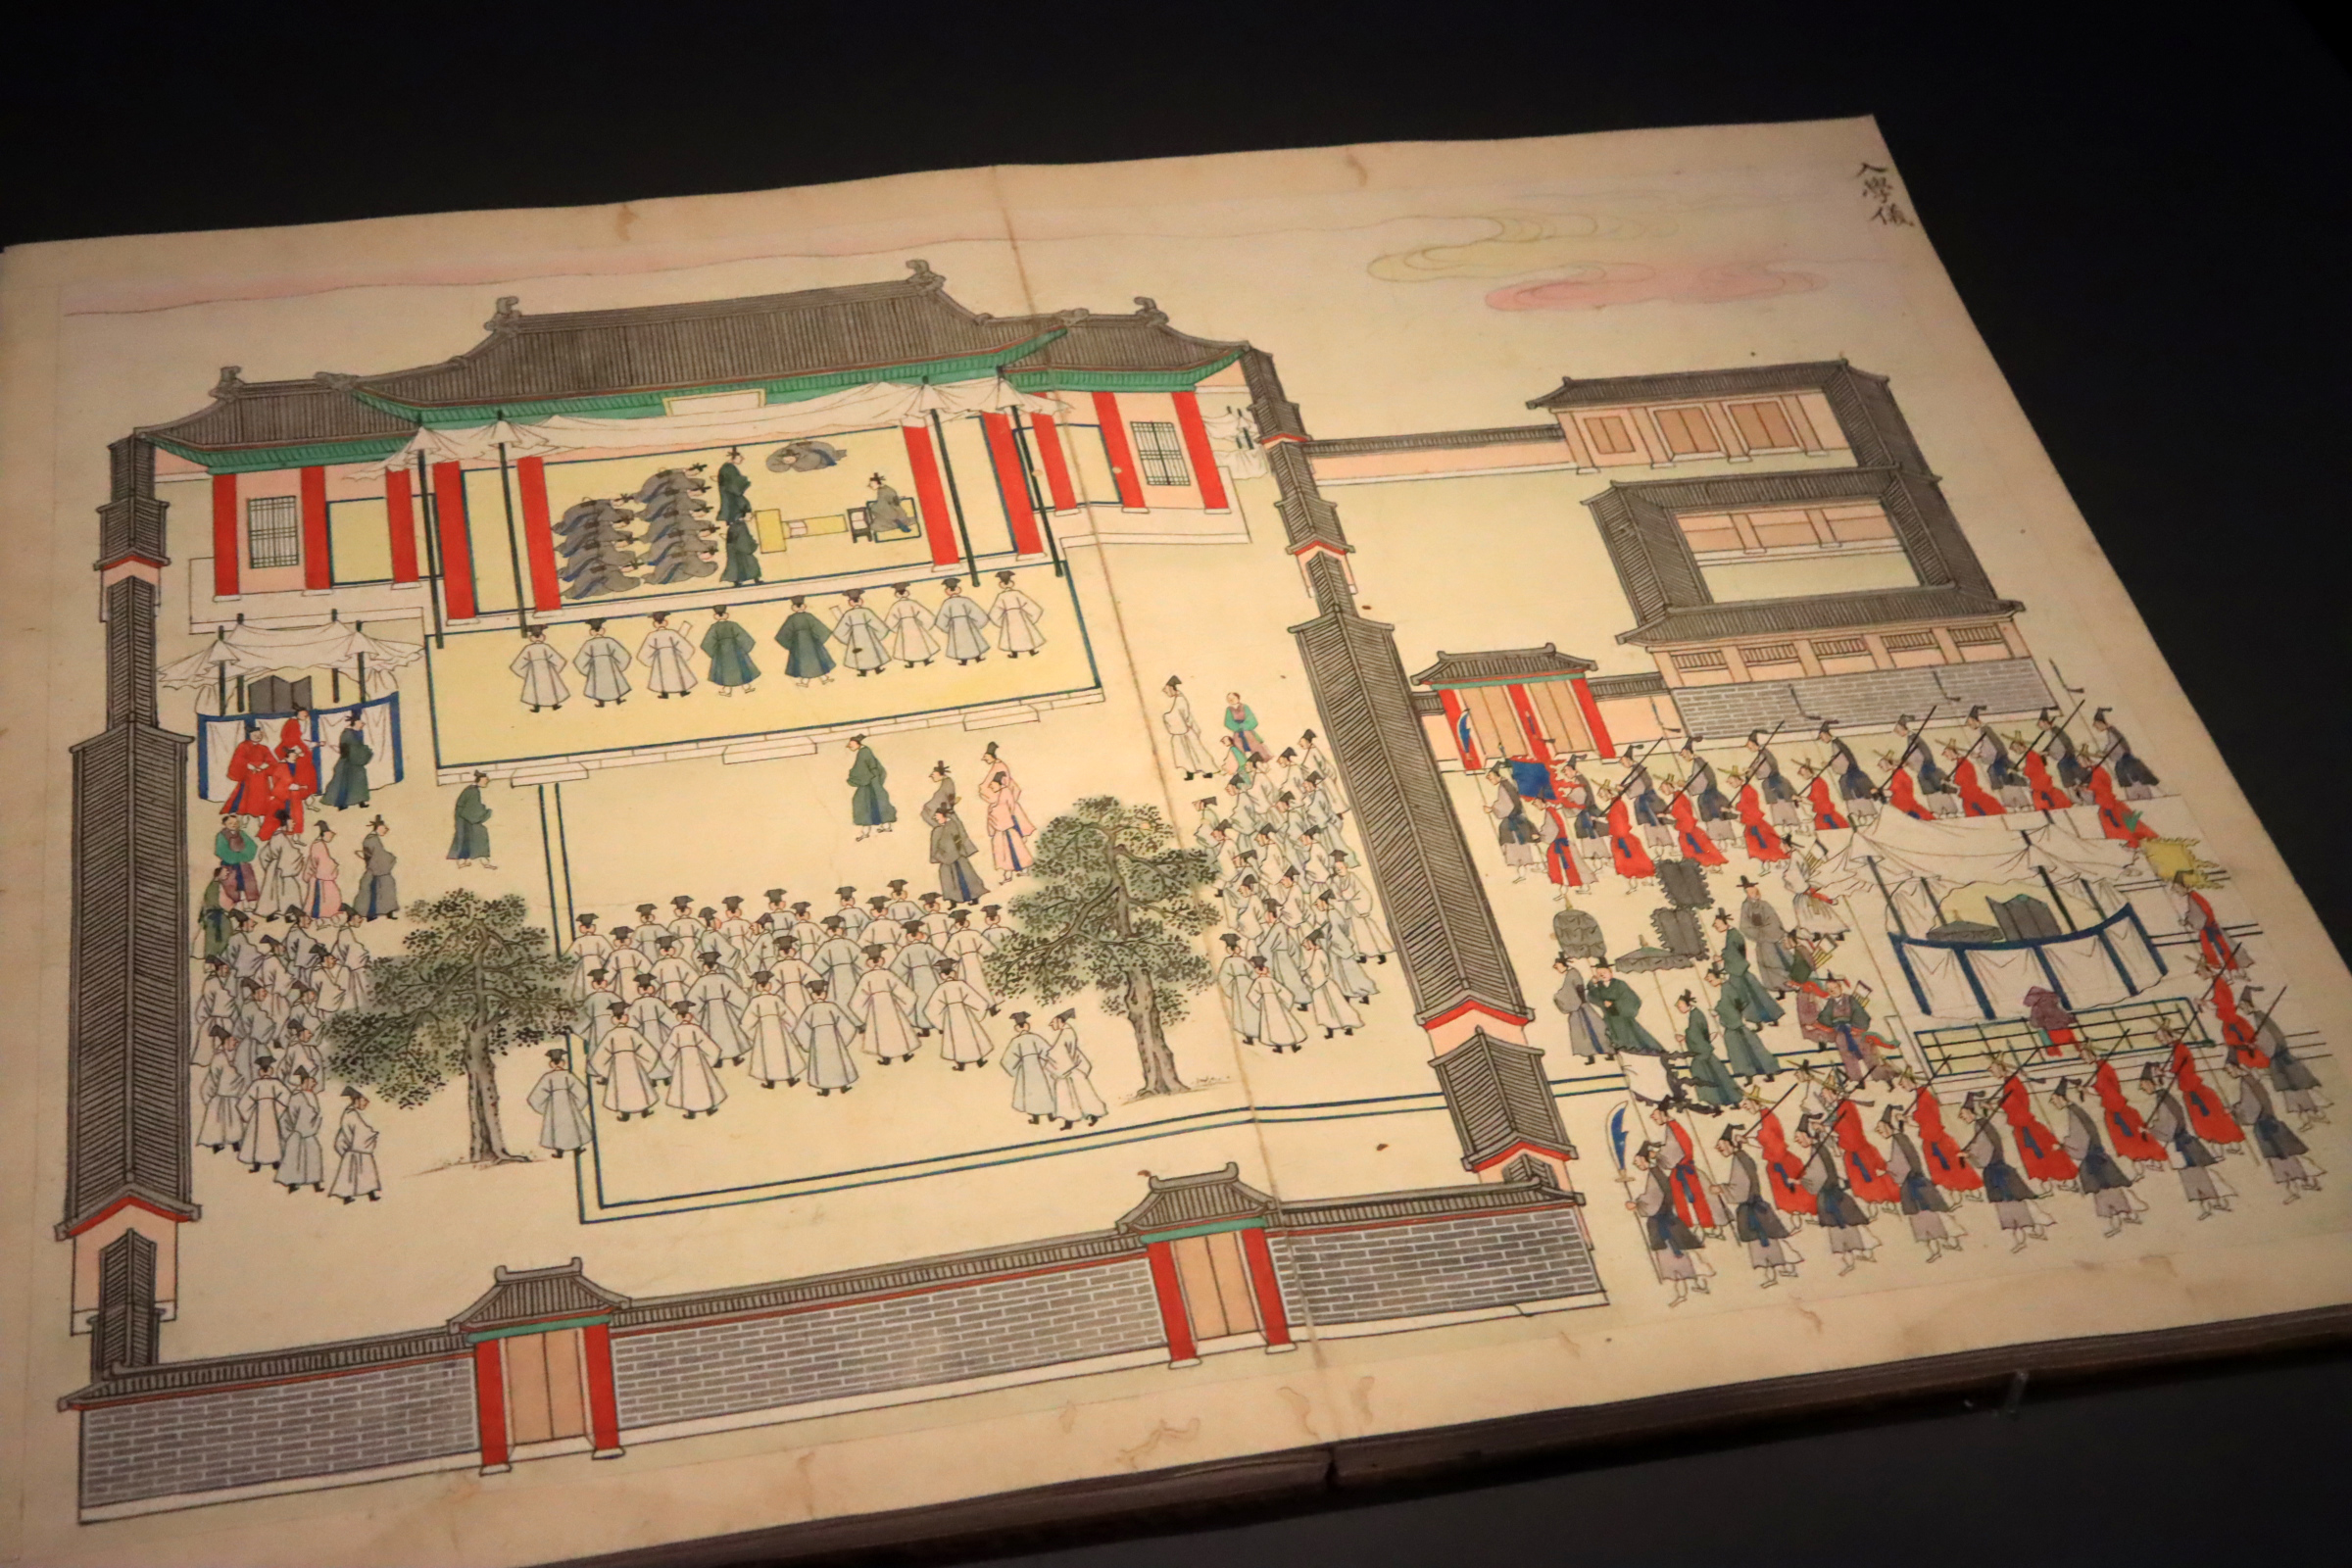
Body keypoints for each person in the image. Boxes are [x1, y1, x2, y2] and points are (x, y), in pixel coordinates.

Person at [2050, 1076, 2145, 1235]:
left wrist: (2063, 1145)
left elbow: (2080, 1139)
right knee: (2104, 1192)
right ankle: (2120, 1219)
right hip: (2095, 1156)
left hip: (2093, 1158)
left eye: (2054, 1100)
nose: (2054, 1103)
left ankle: (2125, 1216)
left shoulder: (2075, 1114)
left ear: (2061, 1098)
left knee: (2106, 1191)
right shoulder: (2076, 1112)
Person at [2140, 1061, 2234, 1218]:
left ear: (2150, 1082)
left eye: (2143, 1084)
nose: (2143, 1087)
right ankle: (2208, 1205)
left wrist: (2150, 1131)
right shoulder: (2164, 1097)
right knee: (2193, 1175)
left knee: (2195, 1174)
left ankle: (2215, 1203)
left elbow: (2169, 1123)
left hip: (2180, 1143)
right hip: (2182, 1141)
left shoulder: (2163, 1099)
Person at [1962, 1091, 2052, 1250]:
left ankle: (2023, 1238)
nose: (1962, 1117)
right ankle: (2030, 1233)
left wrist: (1968, 1154)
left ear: (1971, 1112)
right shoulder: (1982, 1125)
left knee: (2009, 1205)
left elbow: (1984, 1147)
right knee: (2015, 1203)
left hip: (1996, 1171)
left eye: (1963, 1114)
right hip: (2000, 1169)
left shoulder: (1981, 1126)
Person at [2226, 1056, 2324, 1200]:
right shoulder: (2252, 1081)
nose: (2229, 1073)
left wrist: (2234, 1111)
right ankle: (2296, 1188)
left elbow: (2251, 1108)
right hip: (2269, 1122)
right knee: (2284, 1157)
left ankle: (2303, 1183)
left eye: (2230, 1070)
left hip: (2265, 1125)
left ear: (2238, 1067)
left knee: (2282, 1158)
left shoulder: (2248, 1083)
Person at [1628, 1141, 1710, 1306]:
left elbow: (1653, 1200)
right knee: (1683, 1256)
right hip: (1668, 1221)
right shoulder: (1656, 1174)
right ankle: (1695, 1286)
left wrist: (1636, 1204)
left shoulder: (1655, 1175)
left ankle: (1683, 1293)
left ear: (1644, 1159)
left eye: (1637, 1161)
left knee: (1676, 1260)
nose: (1636, 1164)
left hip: (1663, 1223)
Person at [1795, 1112, 1880, 1274]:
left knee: (1841, 1228)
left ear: (1807, 1135)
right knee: (1849, 1226)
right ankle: (1859, 1256)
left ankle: (1853, 1259)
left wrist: (1801, 1180)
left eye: (1799, 1137)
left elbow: (1818, 1175)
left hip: (1830, 1195)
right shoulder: (1820, 1149)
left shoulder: (1818, 1150)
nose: (1797, 1140)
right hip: (1836, 1193)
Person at [1717, 1125, 1800, 1286]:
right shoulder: (1742, 1158)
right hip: (1755, 1207)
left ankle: (1775, 1274)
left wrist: (1721, 1188)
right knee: (1767, 1242)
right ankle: (1779, 1271)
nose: (1719, 1149)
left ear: (1731, 1143)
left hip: (1752, 1209)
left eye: (1721, 1146)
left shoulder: (1741, 1160)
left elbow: (1740, 1189)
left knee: (1763, 1243)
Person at [1879, 1104, 1964, 1260]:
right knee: (1932, 1215)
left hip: (1913, 1186)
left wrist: (1885, 1168)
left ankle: (1939, 1248)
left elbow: (1901, 1166)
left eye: (1880, 1127)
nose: (1879, 1131)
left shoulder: (1898, 1141)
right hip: (1919, 1183)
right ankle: (1945, 1245)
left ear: (1888, 1126)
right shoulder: (1902, 1139)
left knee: (1924, 1217)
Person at [1590, 961, 1676, 1105]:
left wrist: (1615, 1005)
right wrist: (1592, 985)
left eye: (1604, 972)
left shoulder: (1620, 985)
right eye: (1599, 973)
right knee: (1625, 1060)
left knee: (1639, 1054)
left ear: (1610, 971)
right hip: (1611, 1024)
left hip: (1625, 1023)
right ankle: (1640, 1090)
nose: (1601, 975)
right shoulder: (1599, 988)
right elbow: (1591, 997)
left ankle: (1659, 1090)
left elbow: (1634, 1001)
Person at [851, 947, 922, 1064]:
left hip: (876, 1009)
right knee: (896, 1027)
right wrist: (904, 1009)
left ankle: (886, 1057)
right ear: (882, 960)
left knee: (881, 1031)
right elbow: (906, 993)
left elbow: (856, 1001)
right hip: (891, 1006)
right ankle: (904, 1054)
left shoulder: (867, 977)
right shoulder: (887, 974)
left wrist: (865, 1016)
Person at [976, 743, 1036, 878]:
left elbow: (989, 787)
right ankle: (1009, 871)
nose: (984, 759)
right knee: (1004, 847)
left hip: (1006, 815)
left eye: (986, 757)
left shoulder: (999, 769)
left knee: (1015, 843)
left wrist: (995, 800)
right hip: (1002, 815)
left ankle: (1021, 869)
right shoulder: (998, 767)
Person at [791, 980, 861, 1095]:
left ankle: (824, 1088)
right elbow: (845, 1023)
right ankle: (843, 1085)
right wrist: (843, 1040)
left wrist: (806, 1044)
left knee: (821, 1063)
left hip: (818, 1038)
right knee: (837, 1060)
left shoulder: (810, 1009)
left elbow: (801, 1028)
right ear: (824, 994)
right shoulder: (831, 1006)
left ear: (812, 995)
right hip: (833, 1037)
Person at [660, 1002, 727, 1118]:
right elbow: (709, 1046)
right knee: (702, 1082)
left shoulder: (676, 1030)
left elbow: (667, 1050)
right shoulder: (695, 1028)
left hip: (683, 1061)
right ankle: (709, 1108)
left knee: (687, 1085)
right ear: (689, 1016)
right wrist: (709, 1061)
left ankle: (691, 1112)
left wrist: (672, 1065)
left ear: (678, 1017)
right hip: (697, 1060)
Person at [928, 958, 996, 1069]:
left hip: (951, 1017)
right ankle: (980, 1061)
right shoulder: (960, 984)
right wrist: (977, 1015)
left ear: (942, 976)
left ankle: (961, 1065)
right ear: (953, 973)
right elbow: (978, 1001)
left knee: (956, 1040)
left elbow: (931, 1009)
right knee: (972, 1036)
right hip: (965, 1014)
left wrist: (941, 1024)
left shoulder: (941, 988)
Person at [1046, 1009, 1106, 1129]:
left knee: (1077, 1095)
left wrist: (1049, 1056)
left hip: (1070, 1069)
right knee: (1073, 1096)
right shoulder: (1066, 1032)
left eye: (1053, 1022)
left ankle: (1091, 1116)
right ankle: (1071, 1121)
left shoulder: (1067, 1033)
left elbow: (1062, 1052)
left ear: (1059, 1021)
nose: (1051, 1025)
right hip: (1070, 1068)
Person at [529, 1049, 593, 1157]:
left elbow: (535, 1096)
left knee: (559, 1128)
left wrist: (545, 1109)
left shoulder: (549, 1077)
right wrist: (577, 1106)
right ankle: (575, 1149)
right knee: (570, 1126)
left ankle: (562, 1152)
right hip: (568, 1105)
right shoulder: (567, 1075)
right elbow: (582, 1092)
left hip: (555, 1106)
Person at [327, 1087, 382, 1203]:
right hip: (355, 1149)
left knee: (363, 1173)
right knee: (351, 1175)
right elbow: (360, 1131)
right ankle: (348, 1197)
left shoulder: (351, 1113)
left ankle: (370, 1194)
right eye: (364, 1100)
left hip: (356, 1149)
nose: (366, 1102)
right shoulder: (351, 1114)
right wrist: (371, 1133)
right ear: (357, 1100)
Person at [2089, 708, 2160, 798]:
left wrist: (2104, 752)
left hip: (2127, 763)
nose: (2097, 728)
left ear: (2100, 723)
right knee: (2131, 784)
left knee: (2136, 783)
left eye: (2097, 725)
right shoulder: (2111, 731)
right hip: (2124, 763)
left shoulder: (2112, 731)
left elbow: (2114, 745)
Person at [1487, 762, 1540, 880]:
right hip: (1517, 821)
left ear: (1496, 775)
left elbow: (1506, 806)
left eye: (1490, 777)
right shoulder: (1506, 785)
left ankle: (1525, 871)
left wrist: (1492, 809)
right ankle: (1523, 872)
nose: (1490, 780)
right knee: (1520, 847)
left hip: (1514, 822)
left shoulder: (1504, 787)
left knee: (1516, 847)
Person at [275, 1071, 326, 1193]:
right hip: (298, 1133)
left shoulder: (312, 1095)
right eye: (312, 1080)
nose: (315, 1083)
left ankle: (316, 1184)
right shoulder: (296, 1097)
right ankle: (292, 1184)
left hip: (310, 1133)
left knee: (314, 1155)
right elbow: (291, 1115)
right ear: (305, 1081)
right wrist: (294, 1132)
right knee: (295, 1158)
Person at [716, 448, 760, 585]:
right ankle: (746, 578)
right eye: (740, 457)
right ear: (734, 457)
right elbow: (735, 488)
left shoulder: (727, 470)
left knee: (737, 553)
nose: (742, 459)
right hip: (736, 518)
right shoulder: (728, 469)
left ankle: (739, 579)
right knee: (743, 551)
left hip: (735, 519)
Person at [1162, 676, 1218, 779]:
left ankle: (1208, 771)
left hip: (1185, 731)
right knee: (1186, 753)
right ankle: (1190, 773)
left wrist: (1166, 716)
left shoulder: (1180, 699)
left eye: (1167, 690)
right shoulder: (1178, 698)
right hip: (1183, 731)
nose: (1166, 692)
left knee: (1195, 752)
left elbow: (1179, 715)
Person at [568, 617, 633, 708]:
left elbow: (579, 659)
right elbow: (623, 654)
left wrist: (588, 671)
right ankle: (616, 700)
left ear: (592, 632)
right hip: (609, 665)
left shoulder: (590, 643)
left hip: (598, 667)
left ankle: (604, 702)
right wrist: (619, 667)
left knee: (601, 684)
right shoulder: (607, 641)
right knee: (610, 682)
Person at [773, 596, 837, 685]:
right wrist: (791, 646)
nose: (799, 607)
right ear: (793, 607)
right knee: (811, 661)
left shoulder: (802, 617)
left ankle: (820, 679)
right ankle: (810, 680)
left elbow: (782, 635)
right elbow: (822, 630)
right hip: (805, 644)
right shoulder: (794, 618)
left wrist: (791, 645)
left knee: (811, 661)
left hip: (804, 644)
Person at [1247, 957, 1305, 1053]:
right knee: (1283, 1023)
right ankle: (1292, 1046)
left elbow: (1252, 995)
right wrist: (1286, 1003)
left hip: (1267, 1004)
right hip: (1276, 1003)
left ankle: (1280, 1048)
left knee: (1273, 1024)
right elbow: (1286, 993)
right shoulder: (1269, 980)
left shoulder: (1259, 981)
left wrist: (1258, 1004)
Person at [700, 603, 760, 695]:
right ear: (726, 615)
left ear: (715, 616)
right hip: (736, 650)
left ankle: (728, 691)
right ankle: (746, 687)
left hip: (722, 652)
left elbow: (707, 642)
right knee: (741, 668)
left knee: (725, 671)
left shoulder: (714, 627)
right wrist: (744, 649)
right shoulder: (733, 625)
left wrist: (714, 653)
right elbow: (744, 637)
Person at [637, 612, 699, 698]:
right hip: (673, 655)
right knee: (678, 673)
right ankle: (682, 691)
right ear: (665, 622)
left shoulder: (652, 635)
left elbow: (645, 651)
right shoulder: (672, 633)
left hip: (660, 658)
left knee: (662, 675)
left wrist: (651, 661)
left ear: (655, 624)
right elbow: (683, 644)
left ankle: (665, 694)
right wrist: (682, 656)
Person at [846, 736, 896, 841]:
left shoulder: (863, 752)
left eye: (851, 744)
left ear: (857, 743)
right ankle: (886, 826)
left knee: (863, 805)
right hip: (873, 782)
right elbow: (879, 770)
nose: (849, 746)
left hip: (868, 783)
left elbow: (860, 769)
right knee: (878, 803)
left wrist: (852, 776)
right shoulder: (866, 751)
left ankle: (866, 832)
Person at [511, 624, 570, 711]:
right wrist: (554, 671)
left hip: (540, 672)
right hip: (541, 672)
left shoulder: (542, 647)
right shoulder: (531, 648)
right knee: (539, 689)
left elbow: (517, 665)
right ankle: (546, 705)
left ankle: (550, 705)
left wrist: (553, 672)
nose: (537, 637)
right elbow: (560, 661)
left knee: (544, 688)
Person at [932, 578, 992, 664]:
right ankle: (976, 658)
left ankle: (965, 661)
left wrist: (948, 629)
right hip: (967, 624)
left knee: (961, 643)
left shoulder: (947, 603)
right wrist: (976, 625)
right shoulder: (965, 600)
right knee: (971, 641)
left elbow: (941, 619)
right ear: (958, 589)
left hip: (956, 627)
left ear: (947, 591)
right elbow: (978, 613)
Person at [833, 590, 891, 675]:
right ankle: (877, 669)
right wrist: (877, 636)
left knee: (860, 654)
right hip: (868, 635)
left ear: (850, 602)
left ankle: (863, 672)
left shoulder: (849, 613)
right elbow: (878, 624)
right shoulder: (866, 611)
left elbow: (840, 630)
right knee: (871, 651)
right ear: (861, 601)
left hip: (855, 637)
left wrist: (848, 640)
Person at [321, 713, 372, 810]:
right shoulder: (347, 733)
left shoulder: (359, 733)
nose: (362, 724)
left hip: (357, 762)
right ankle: (342, 804)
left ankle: (361, 801)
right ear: (355, 723)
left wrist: (363, 752)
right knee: (343, 782)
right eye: (360, 722)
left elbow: (360, 746)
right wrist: (355, 752)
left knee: (360, 780)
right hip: (347, 762)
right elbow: (344, 749)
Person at [882, 583, 942, 667]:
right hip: (908, 626)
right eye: (900, 592)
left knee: (917, 642)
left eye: (903, 591)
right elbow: (892, 618)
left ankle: (924, 661)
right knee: (909, 644)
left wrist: (921, 622)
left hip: (910, 625)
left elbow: (891, 620)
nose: (902, 593)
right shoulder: (900, 605)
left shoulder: (907, 604)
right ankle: (915, 662)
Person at [989, 570, 1047, 657]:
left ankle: (1016, 653)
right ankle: (1031, 651)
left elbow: (995, 612)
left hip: (1009, 618)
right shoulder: (1016, 593)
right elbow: (1030, 605)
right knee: (1024, 633)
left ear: (1001, 584)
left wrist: (1000, 622)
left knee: (1012, 635)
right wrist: (1032, 618)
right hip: (1020, 616)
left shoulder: (1002, 596)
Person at [353, 816, 398, 920]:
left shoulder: (373, 838)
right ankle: (371, 913)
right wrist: (391, 858)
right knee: (374, 889)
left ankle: (387, 912)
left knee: (387, 885)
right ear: (379, 827)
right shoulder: (372, 839)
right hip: (375, 870)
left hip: (377, 868)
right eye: (384, 827)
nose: (386, 829)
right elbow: (379, 855)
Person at [448, 771, 494, 868]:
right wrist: (487, 813)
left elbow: (474, 807)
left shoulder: (472, 790)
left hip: (466, 817)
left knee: (469, 838)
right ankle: (479, 861)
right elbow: (473, 808)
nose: (487, 782)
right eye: (485, 780)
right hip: (465, 819)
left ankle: (475, 861)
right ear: (480, 780)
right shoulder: (472, 791)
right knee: (478, 834)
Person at [305, 824, 342, 918]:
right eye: (329, 834)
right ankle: (319, 916)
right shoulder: (318, 845)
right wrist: (334, 864)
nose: (331, 836)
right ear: (324, 833)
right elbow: (324, 863)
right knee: (323, 899)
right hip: (320, 878)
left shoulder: (318, 844)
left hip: (319, 876)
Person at [864, 472, 915, 537]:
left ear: (876, 482)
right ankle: (900, 524)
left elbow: (882, 504)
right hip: (894, 512)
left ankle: (898, 524)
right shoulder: (885, 489)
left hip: (895, 513)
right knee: (875, 523)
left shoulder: (883, 491)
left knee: (874, 526)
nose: (871, 486)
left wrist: (872, 507)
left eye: (872, 484)